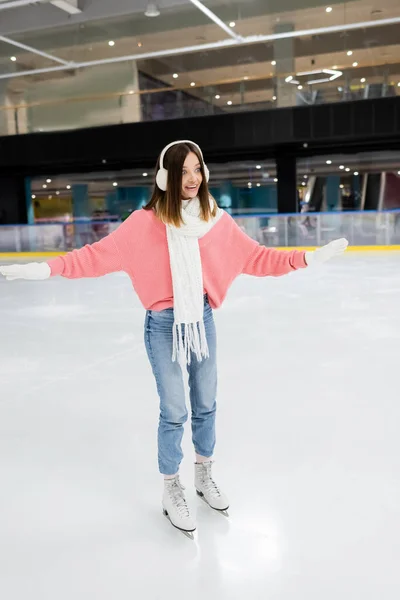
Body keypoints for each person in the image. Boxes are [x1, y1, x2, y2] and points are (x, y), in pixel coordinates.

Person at [0, 140, 348, 538]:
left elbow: (258, 257)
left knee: (205, 402)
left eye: (197, 169)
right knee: (174, 409)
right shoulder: (143, 224)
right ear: (165, 177)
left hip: (201, 319)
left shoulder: (215, 221)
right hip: (163, 324)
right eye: (183, 171)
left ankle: (204, 474)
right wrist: (44, 270)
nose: (192, 178)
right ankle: (171, 488)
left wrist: (305, 259)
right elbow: (91, 258)